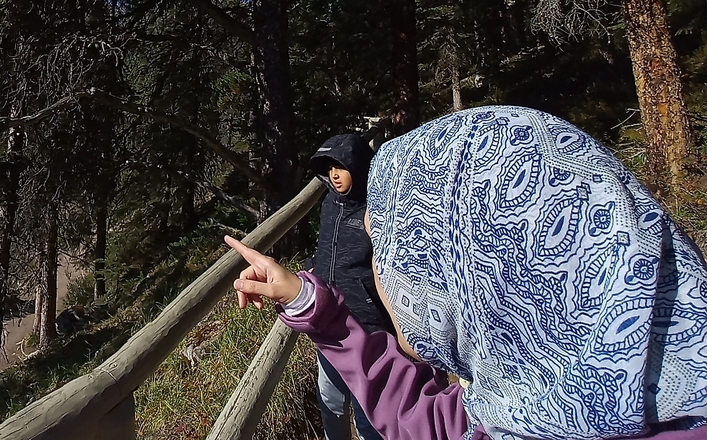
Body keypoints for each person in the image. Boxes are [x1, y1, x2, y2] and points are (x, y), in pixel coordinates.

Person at [226, 106, 707, 440]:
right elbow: (422, 418)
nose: (386, 270)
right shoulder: (519, 409)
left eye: (400, 248)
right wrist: (308, 302)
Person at [305, 133, 387, 440]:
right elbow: (326, 248)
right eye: (328, 169)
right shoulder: (330, 204)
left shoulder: (375, 210)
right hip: (328, 320)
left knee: (368, 410)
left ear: (359, 166)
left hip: (368, 328)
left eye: (340, 167)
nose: (334, 175)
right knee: (331, 400)